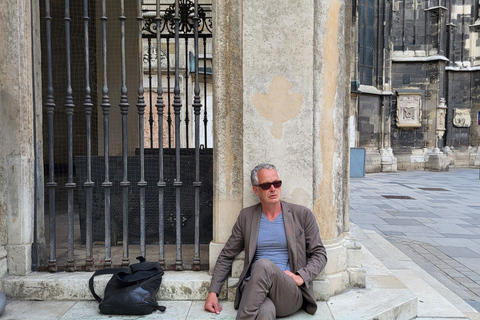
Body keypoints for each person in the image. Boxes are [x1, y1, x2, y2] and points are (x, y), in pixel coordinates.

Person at [204, 163, 328, 319]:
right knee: (265, 313)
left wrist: (301, 276)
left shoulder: (301, 215)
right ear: (256, 190)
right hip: (254, 289)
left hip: (288, 292)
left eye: (276, 183)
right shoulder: (246, 217)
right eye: (266, 185)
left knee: (263, 265)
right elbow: (227, 255)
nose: (273, 189)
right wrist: (213, 292)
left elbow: (320, 254)